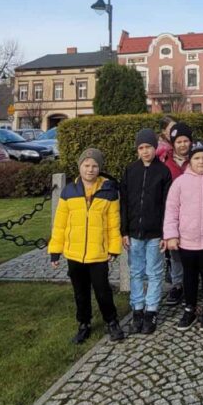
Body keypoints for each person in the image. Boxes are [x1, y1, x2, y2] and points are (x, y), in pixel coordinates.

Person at [49, 147, 125, 343]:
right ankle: (84, 323)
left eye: (94, 166)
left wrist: (114, 248)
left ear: (99, 168)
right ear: (80, 166)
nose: (90, 169)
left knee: (102, 291)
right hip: (74, 254)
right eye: (86, 165)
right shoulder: (69, 191)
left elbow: (113, 223)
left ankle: (112, 321)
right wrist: (55, 251)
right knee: (80, 292)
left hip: (98, 254)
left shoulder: (108, 191)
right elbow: (60, 224)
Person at [164, 142, 203, 331]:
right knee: (189, 277)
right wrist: (171, 235)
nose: (201, 162)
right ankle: (189, 307)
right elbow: (172, 210)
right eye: (197, 158)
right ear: (190, 160)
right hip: (186, 240)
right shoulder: (180, 182)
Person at [121, 130, 173, 336]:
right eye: (141, 148)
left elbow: (167, 205)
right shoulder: (130, 171)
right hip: (134, 231)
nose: (145, 152)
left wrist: (165, 232)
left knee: (154, 272)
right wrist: (124, 230)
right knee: (136, 272)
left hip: (155, 233)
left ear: (155, 148)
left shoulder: (163, 172)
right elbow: (124, 202)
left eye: (148, 147)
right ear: (137, 150)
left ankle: (151, 310)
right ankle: (137, 309)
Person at [157, 118, 188, 303]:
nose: (182, 145)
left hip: (194, 213)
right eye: (179, 141)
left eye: (185, 141)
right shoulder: (164, 161)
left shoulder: (197, 158)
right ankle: (177, 285)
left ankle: (192, 284)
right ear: (173, 143)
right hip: (173, 212)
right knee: (175, 254)